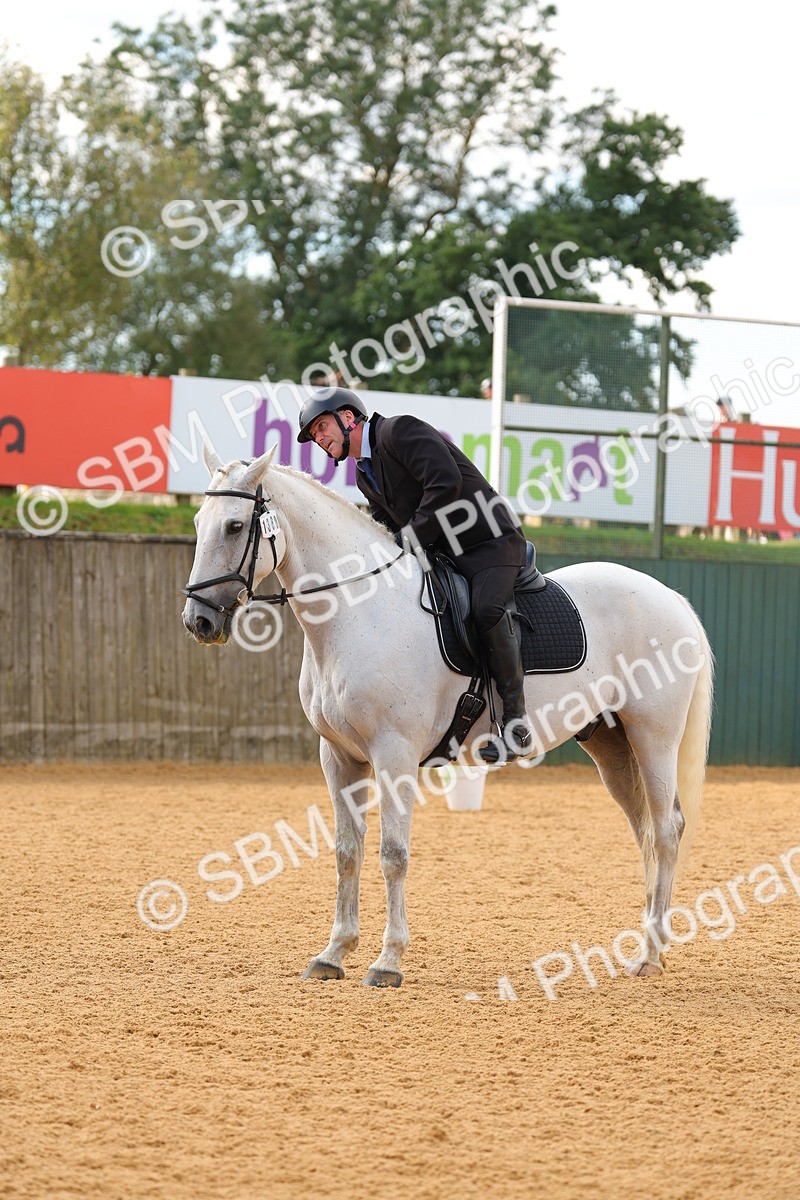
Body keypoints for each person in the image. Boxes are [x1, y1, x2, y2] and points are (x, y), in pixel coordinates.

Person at [297, 388, 532, 762]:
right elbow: (387, 527)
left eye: (322, 427)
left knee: (487, 610)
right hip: (444, 553)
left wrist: (410, 538)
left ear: (347, 417)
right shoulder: (364, 475)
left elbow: (445, 483)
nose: (319, 439)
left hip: (490, 541)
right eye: (314, 436)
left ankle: (517, 724)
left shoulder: (399, 431)